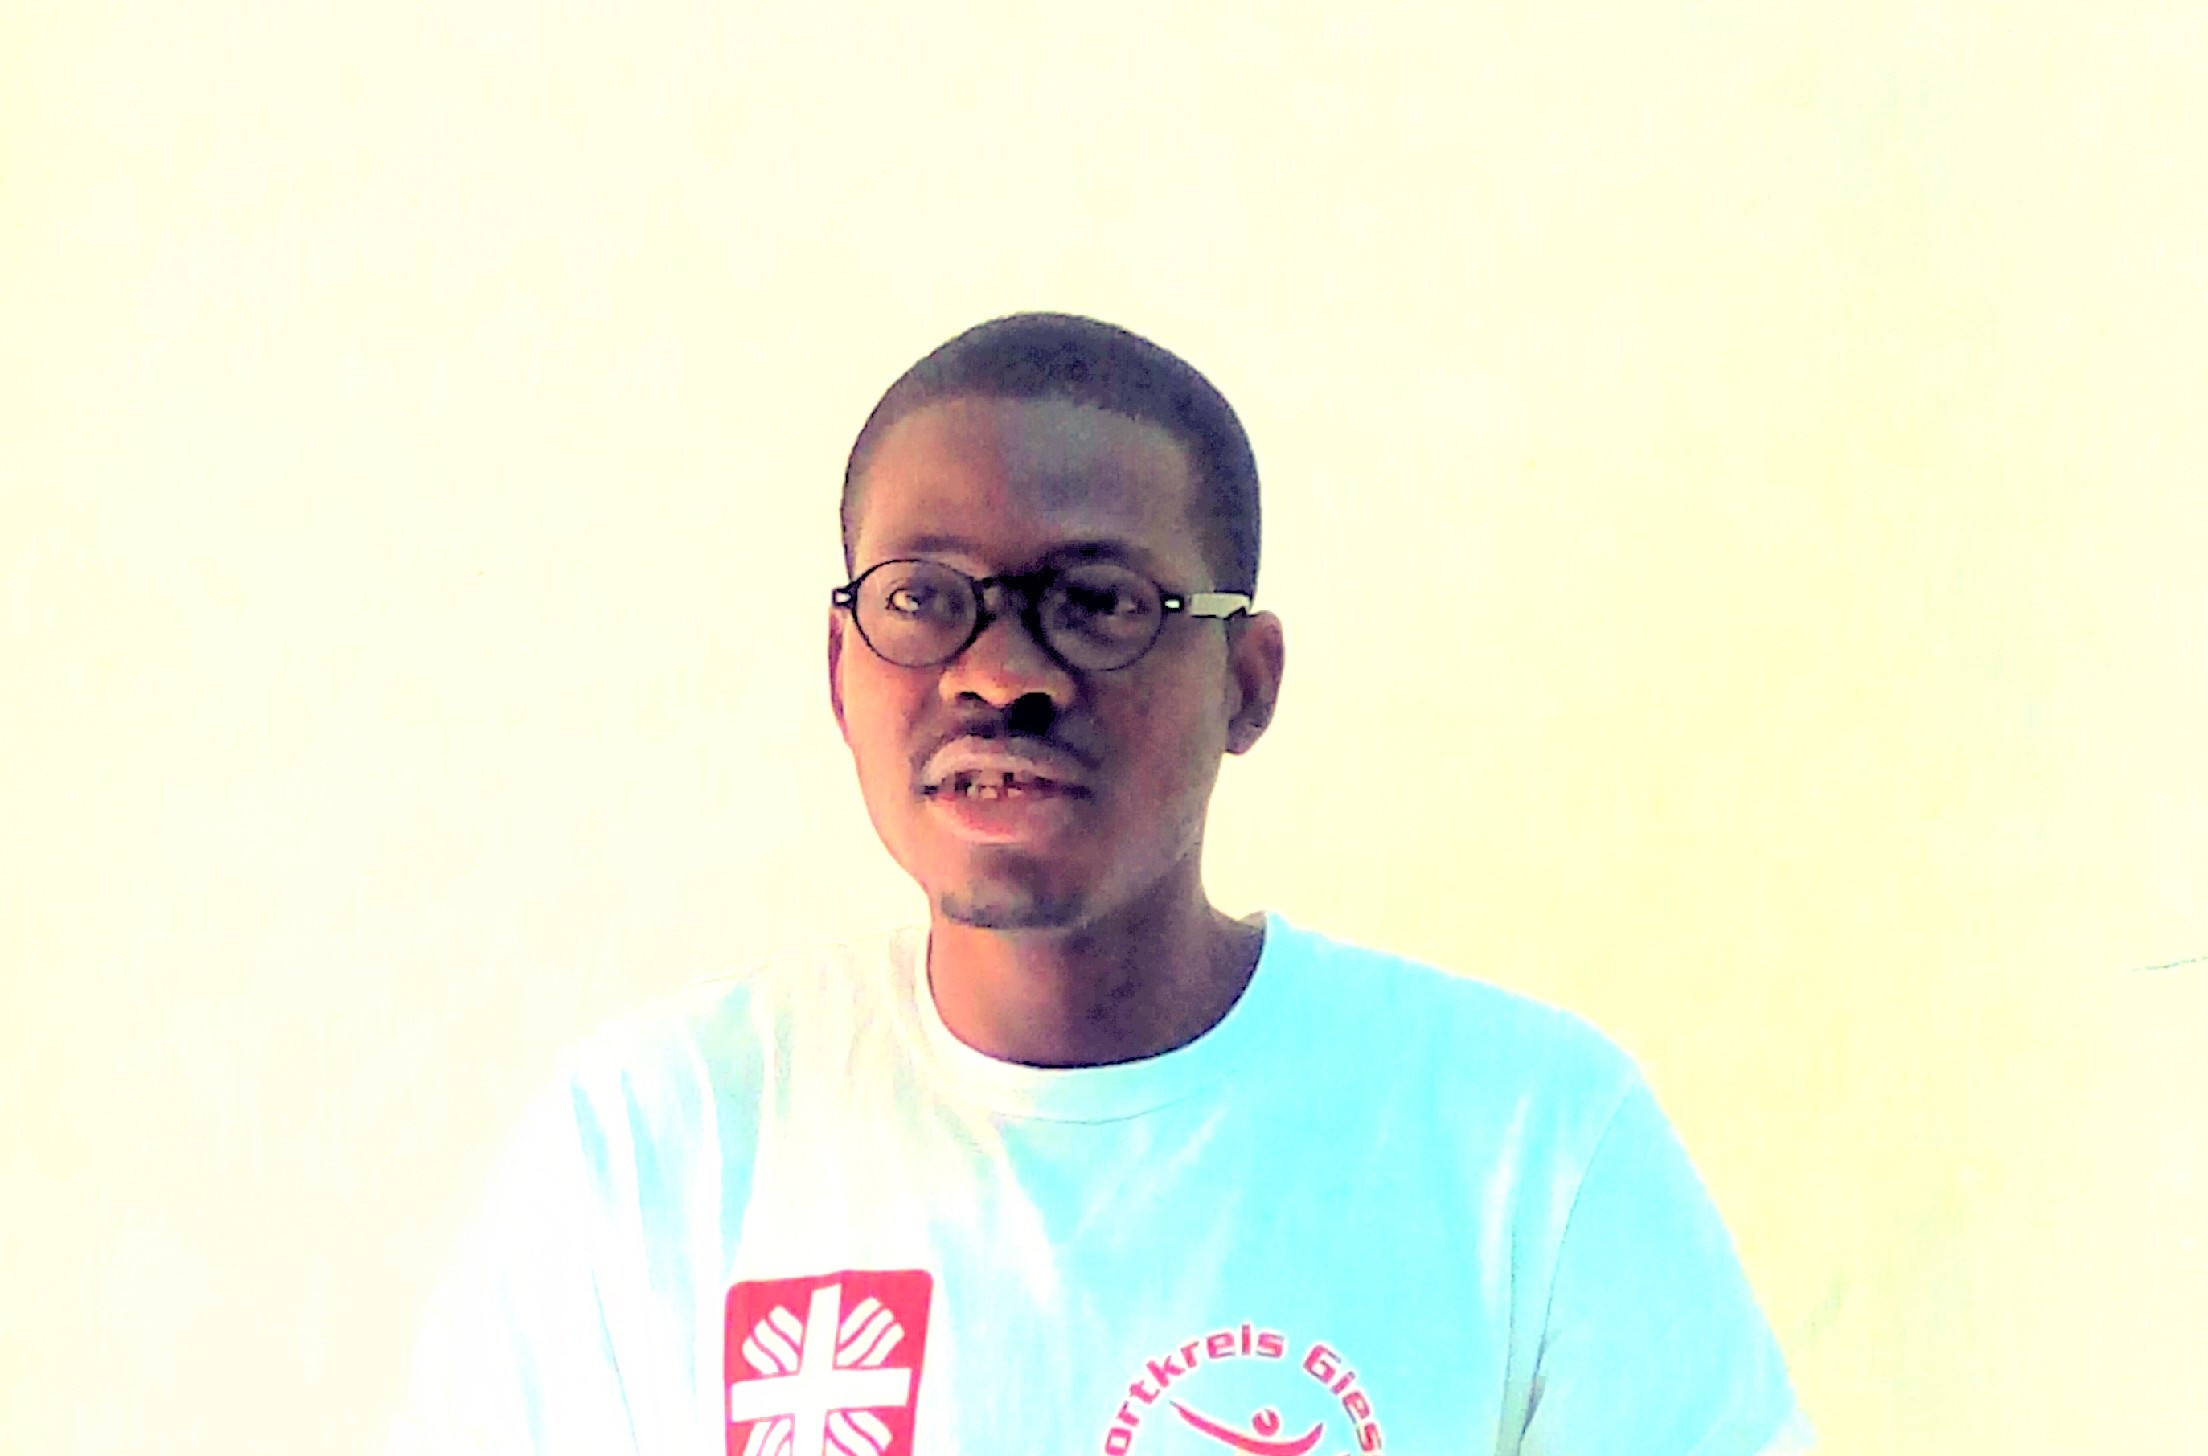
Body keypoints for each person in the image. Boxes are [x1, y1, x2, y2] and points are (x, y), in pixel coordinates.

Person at [390, 313, 1815, 1455]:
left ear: (1246, 682)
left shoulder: (1524, 1140)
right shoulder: (659, 1142)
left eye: (1098, 603)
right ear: (840, 669)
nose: (1000, 672)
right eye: (922, 597)